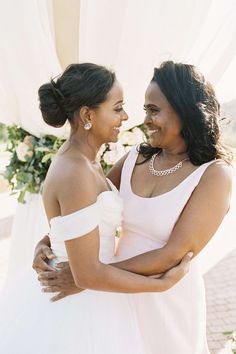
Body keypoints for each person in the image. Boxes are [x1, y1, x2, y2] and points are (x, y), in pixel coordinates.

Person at [34, 61, 233, 354]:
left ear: (184, 110)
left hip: (166, 295)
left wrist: (87, 276)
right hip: (113, 295)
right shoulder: (136, 157)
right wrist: (47, 242)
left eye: (154, 110)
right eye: (145, 110)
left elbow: (172, 255)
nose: (144, 120)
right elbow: (87, 208)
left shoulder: (214, 175)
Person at [0, 63, 191, 354]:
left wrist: (46, 240)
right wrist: (161, 285)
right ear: (88, 115)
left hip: (96, 295)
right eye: (117, 108)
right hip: (81, 307)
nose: (125, 117)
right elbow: (87, 275)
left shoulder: (85, 161)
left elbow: (72, 223)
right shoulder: (75, 170)